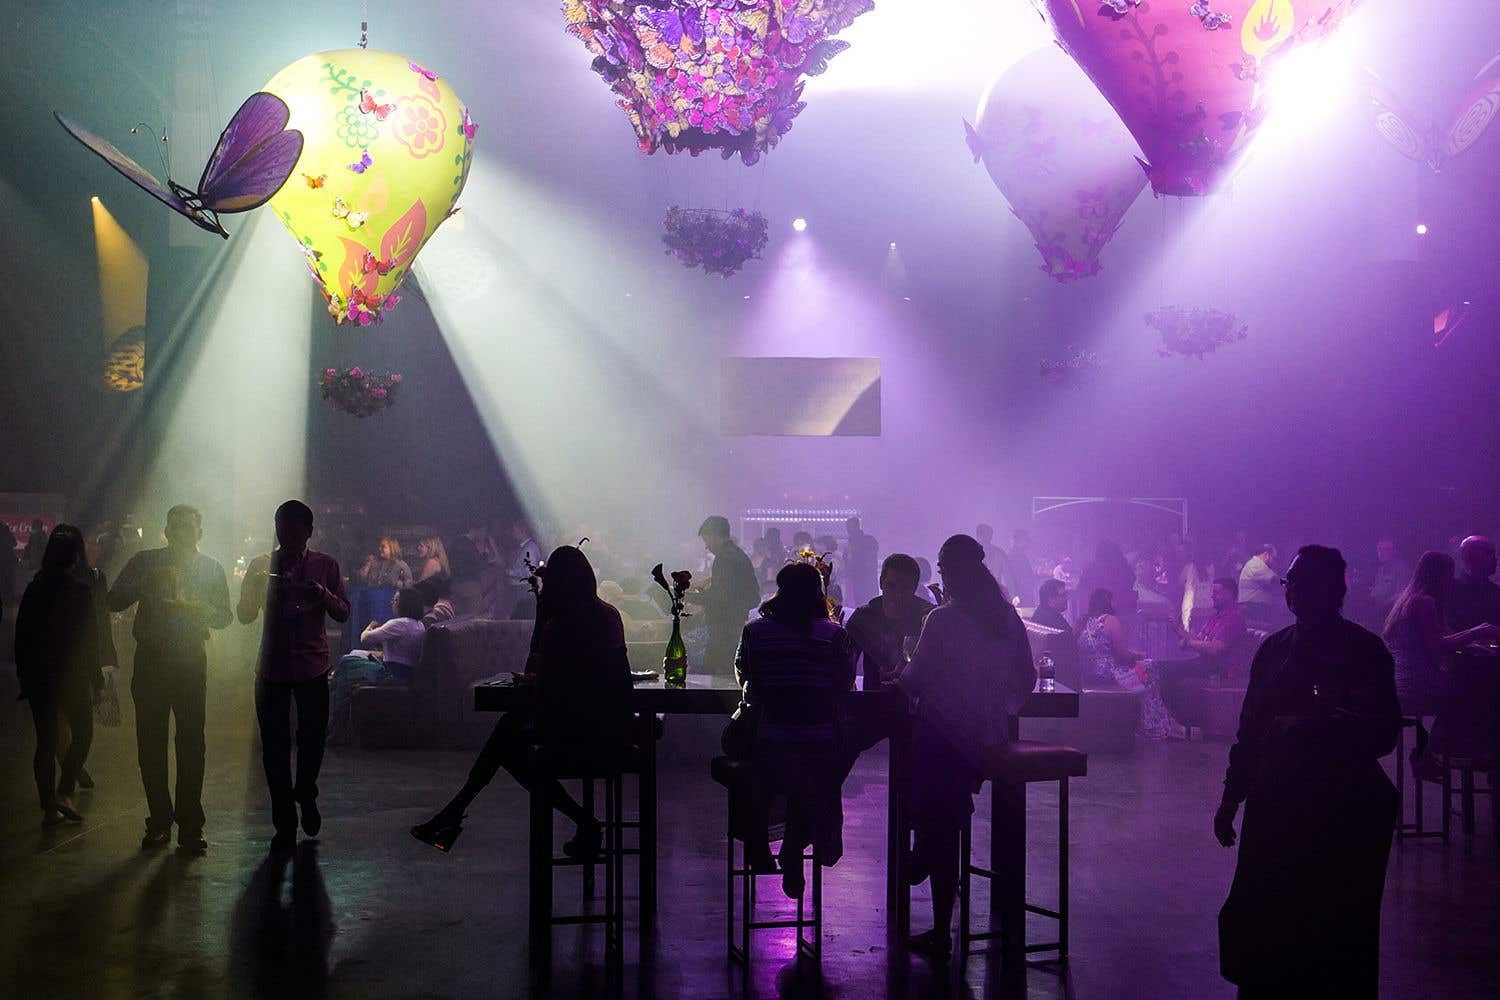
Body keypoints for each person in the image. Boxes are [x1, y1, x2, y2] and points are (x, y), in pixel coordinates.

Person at [1215, 546, 1401, 998]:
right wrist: (1231, 798)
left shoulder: (1362, 651)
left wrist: (1317, 727)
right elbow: (1250, 731)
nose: (1294, 591)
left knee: (1331, 926)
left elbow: (1383, 732)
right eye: (1290, 582)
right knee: (1273, 920)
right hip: (1280, 802)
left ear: (1334, 590)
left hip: (1338, 809)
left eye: (1303, 583)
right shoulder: (1275, 650)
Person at [411, 545, 631, 855]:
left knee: (509, 739)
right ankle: (456, 810)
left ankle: (458, 810)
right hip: (610, 733)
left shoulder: (558, 627)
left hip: (574, 736)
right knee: (509, 733)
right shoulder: (609, 616)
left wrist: (541, 619)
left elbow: (541, 686)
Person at [897, 534, 1036, 961]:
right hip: (990, 740)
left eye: (942, 568)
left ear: (951, 572)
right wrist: (996, 709)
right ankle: (929, 839)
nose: (940, 575)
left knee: (929, 778)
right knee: (944, 799)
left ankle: (934, 901)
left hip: (946, 740)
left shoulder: (941, 620)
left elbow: (913, 682)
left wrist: (901, 672)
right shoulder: (1007, 618)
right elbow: (1027, 680)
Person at [109, 505, 233, 853]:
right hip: (152, 659)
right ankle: (160, 821)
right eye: (176, 526)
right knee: (151, 743)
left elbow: (224, 616)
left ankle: (189, 825)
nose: (181, 532)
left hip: (190, 661)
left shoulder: (211, 568)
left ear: (199, 533)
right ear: (166, 531)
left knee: (191, 742)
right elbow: (113, 600)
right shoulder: (146, 562)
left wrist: (196, 608)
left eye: (188, 527)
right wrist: (143, 585)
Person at [730, 561, 855, 897]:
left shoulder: (756, 632)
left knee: (786, 765)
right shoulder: (836, 635)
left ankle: (761, 839)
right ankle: (795, 845)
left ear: (780, 591)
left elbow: (745, 678)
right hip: (820, 748)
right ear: (818, 594)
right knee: (814, 773)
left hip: (767, 747)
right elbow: (844, 686)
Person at [237, 500, 351, 852]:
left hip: (311, 665)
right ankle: (285, 821)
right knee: (274, 747)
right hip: (272, 666)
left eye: (291, 529)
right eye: (280, 528)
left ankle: (305, 791)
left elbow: (343, 612)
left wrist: (322, 593)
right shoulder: (261, 566)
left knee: (312, 739)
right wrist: (254, 589)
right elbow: (243, 615)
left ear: (308, 532)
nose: (284, 535)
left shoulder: (325, 565)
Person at [14, 525, 114, 826]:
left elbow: (21, 637)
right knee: (83, 734)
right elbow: (91, 640)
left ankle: (49, 807)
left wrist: (24, 677)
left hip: (40, 677)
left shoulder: (34, 588)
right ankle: (65, 789)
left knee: (45, 742)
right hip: (73, 676)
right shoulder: (80, 592)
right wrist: (97, 680)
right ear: (75, 557)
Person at [1383, 551, 1497, 719]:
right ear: (1438, 576)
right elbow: (1440, 645)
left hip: (1399, 683)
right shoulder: (1424, 602)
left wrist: (1470, 646)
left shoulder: (1404, 601)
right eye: (1449, 575)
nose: (1451, 581)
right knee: (1480, 693)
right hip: (1419, 686)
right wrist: (1478, 631)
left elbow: (1426, 643)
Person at [1077, 588, 1185, 740]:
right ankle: (1152, 725)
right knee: (1150, 668)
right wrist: (1138, 655)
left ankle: (1154, 720)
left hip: (1087, 674)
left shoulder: (1082, 621)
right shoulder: (1110, 620)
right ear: (1108, 602)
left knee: (1143, 671)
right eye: (1113, 601)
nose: (1115, 604)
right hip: (1110, 676)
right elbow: (1123, 655)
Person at [328, 587, 428, 743]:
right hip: (406, 673)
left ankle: (335, 727)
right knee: (354, 656)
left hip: (391, 675)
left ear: (404, 603)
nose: (392, 603)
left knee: (345, 663)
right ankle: (340, 726)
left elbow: (365, 639)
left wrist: (369, 627)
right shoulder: (419, 625)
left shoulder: (398, 624)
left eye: (395, 600)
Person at [1160, 578, 1249, 724]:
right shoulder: (1216, 617)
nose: (1212, 596)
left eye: (1216, 592)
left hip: (1222, 669)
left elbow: (1215, 649)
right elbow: (1198, 639)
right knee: (1162, 666)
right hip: (1208, 664)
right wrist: (1178, 629)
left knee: (1165, 669)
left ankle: (1176, 720)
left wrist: (1188, 642)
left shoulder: (1234, 618)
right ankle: (1172, 718)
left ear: (1229, 594)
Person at [845, 554, 935, 692]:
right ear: (881, 582)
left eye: (905, 588)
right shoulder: (863, 618)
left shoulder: (927, 618)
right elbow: (845, 668)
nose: (897, 594)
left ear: (914, 588)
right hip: (874, 699)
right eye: (891, 586)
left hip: (915, 701)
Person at [692, 516, 761, 675]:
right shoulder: (737, 554)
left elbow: (721, 597)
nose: (706, 547)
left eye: (706, 540)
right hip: (733, 623)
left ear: (716, 535)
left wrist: (688, 596)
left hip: (724, 628)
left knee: (716, 672)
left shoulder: (725, 558)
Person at [1030, 578, 1079, 687]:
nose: (1066, 598)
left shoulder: (1045, 614)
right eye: (1063, 595)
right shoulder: (1048, 620)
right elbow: (1066, 645)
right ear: (1051, 599)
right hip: (1059, 682)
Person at [1237, 543, 1282, 627]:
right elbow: (1275, 581)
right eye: (1274, 558)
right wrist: (1290, 583)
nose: (1274, 562)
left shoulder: (1257, 564)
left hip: (1254, 606)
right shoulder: (1256, 564)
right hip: (1254, 607)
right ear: (1266, 554)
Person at [1367, 538, 1409, 616]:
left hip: (1390, 612)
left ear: (1394, 551)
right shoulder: (1381, 569)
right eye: (1379, 549)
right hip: (1376, 608)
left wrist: (1384, 605)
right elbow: (1376, 590)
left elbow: (1401, 594)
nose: (1381, 553)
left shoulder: (1401, 568)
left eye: (1386, 549)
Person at [843, 516, 879, 608]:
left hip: (865, 577)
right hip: (857, 577)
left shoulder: (868, 540)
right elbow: (847, 560)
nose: (848, 530)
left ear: (856, 526)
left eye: (850, 527)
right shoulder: (850, 542)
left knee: (866, 601)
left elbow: (870, 559)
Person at [974, 523, 1014, 603]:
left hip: (978, 595)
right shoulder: (999, 553)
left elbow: (1008, 578)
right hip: (993, 594)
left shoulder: (970, 553)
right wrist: (1012, 595)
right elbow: (1008, 578)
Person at [1006, 529, 1041, 611]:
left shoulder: (1018, 555)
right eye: (1026, 540)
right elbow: (1019, 577)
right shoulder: (1015, 556)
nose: (1027, 544)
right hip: (1022, 597)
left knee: (1027, 615)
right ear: (1020, 541)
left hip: (1022, 596)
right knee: (1026, 616)